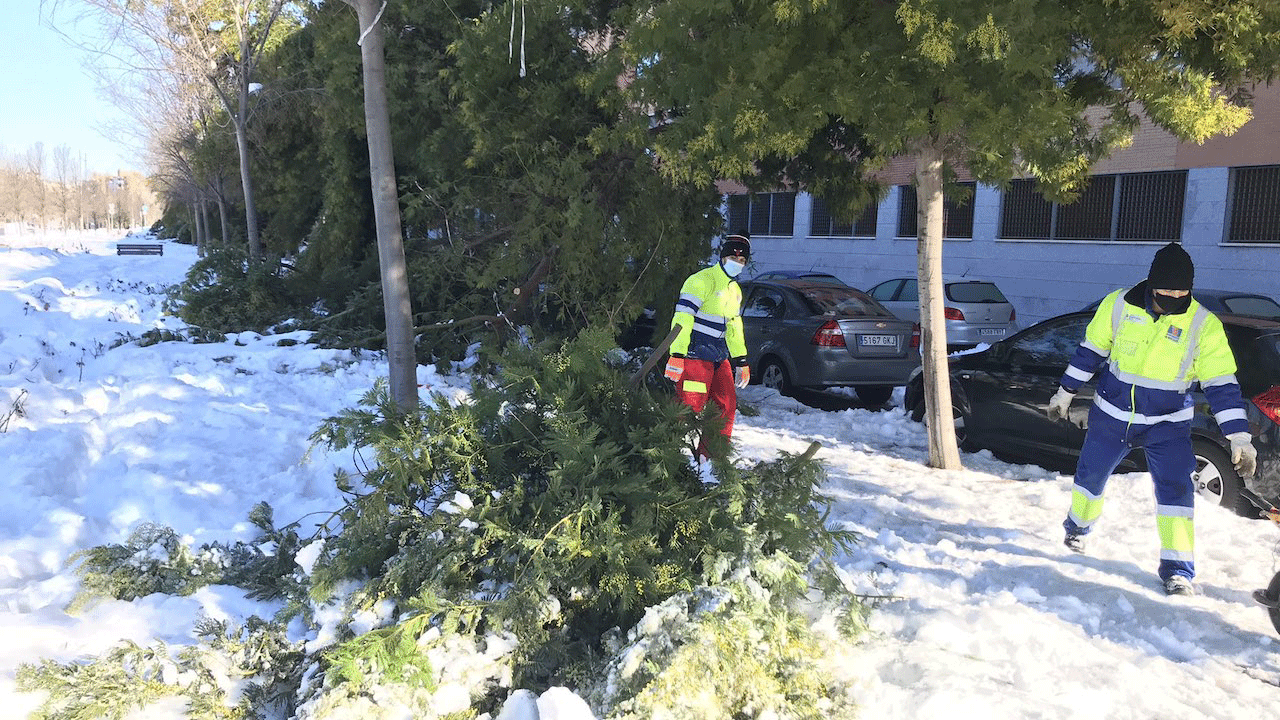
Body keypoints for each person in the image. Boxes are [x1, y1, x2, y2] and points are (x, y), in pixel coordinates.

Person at [1046, 242, 1258, 596]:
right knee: (1090, 477)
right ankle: (1077, 530)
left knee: (1176, 492)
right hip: (1112, 417)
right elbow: (1091, 350)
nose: (1174, 295)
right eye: (1166, 289)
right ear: (1150, 283)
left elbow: (1221, 383)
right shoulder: (1117, 305)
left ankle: (1178, 572)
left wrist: (1239, 436)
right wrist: (1065, 392)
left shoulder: (1203, 325)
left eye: (1181, 290)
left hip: (1168, 425)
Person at [664, 233, 752, 460]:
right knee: (689, 405)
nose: (737, 264)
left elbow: (734, 327)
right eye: (733, 258)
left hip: (718, 356)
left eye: (742, 261)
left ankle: (712, 460)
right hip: (695, 354)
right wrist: (677, 354)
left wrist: (741, 360)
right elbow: (682, 318)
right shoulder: (700, 280)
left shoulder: (735, 291)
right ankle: (664, 451)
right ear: (723, 257)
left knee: (725, 406)